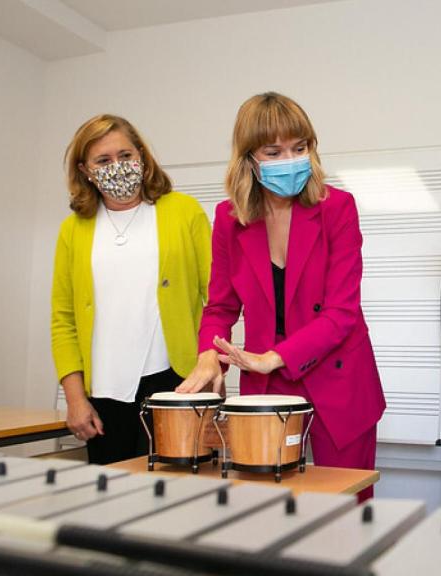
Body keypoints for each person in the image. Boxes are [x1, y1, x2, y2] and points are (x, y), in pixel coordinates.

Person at [177, 92, 385, 499]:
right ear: (249, 159)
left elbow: (341, 313)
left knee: (347, 508)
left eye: (299, 147)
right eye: (274, 152)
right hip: (266, 383)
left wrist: (273, 357)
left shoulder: (338, 208)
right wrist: (207, 355)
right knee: (267, 504)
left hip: (339, 379)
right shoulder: (228, 219)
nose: (290, 160)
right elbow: (220, 306)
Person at [52, 114, 211, 465]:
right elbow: (63, 320)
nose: (118, 166)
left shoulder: (183, 211)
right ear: (85, 170)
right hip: (104, 393)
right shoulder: (73, 230)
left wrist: (210, 363)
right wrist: (75, 399)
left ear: (141, 155)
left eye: (125, 155)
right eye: (103, 160)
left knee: (178, 487)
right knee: (112, 491)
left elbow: (216, 298)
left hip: (178, 381)